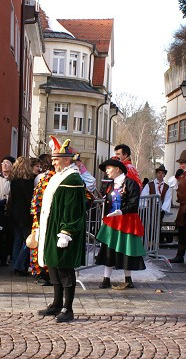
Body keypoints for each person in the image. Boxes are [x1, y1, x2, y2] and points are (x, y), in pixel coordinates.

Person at [36, 138, 86, 323]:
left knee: (64, 268)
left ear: (67, 160)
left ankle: (68, 308)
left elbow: (73, 210)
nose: (53, 162)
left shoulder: (72, 179)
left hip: (63, 231)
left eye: (57, 159)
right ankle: (57, 303)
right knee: (54, 267)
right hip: (52, 229)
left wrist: (67, 232)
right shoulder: (59, 177)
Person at [95, 158, 145, 290]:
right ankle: (106, 279)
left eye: (109, 168)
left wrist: (121, 212)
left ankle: (128, 279)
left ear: (117, 169)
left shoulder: (131, 184)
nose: (107, 171)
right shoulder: (110, 184)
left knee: (126, 249)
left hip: (126, 221)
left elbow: (134, 204)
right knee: (108, 249)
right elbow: (106, 202)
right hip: (111, 222)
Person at [8, 156, 36, 276]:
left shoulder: (13, 180)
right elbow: (29, 198)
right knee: (27, 241)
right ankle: (19, 265)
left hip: (15, 212)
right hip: (25, 213)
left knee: (17, 240)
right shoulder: (28, 181)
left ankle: (15, 265)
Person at [30, 155, 55, 286]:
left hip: (53, 219)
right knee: (38, 245)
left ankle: (49, 273)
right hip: (42, 218)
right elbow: (37, 201)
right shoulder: (46, 179)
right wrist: (39, 219)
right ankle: (40, 274)